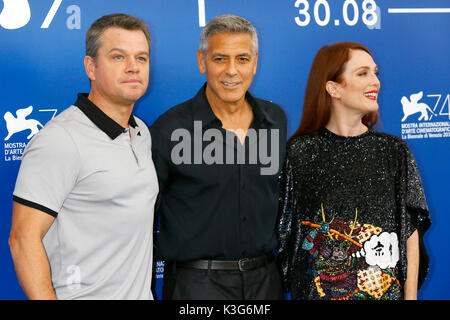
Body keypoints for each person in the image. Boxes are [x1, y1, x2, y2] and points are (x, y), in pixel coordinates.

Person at [8, 13, 158, 300]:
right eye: (118, 57)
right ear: (91, 67)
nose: (133, 68)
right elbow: (22, 240)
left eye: (141, 58)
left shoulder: (141, 134)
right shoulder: (60, 139)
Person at [277, 42, 431, 300]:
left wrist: (411, 295)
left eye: (375, 73)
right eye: (363, 73)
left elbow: (410, 231)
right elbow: (285, 233)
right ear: (333, 88)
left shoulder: (394, 152)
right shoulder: (299, 152)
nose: (375, 82)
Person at [150, 14, 287, 300]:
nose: (232, 71)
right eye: (220, 59)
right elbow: (145, 218)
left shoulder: (275, 120)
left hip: (266, 281)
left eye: (242, 59)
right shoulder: (171, 128)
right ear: (202, 61)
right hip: (196, 285)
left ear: (255, 63)